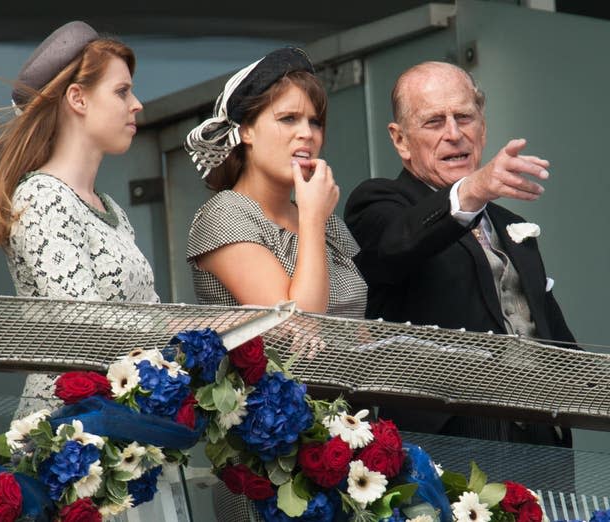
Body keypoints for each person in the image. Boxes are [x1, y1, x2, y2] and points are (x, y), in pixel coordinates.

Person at [344, 61, 576, 446]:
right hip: (453, 443)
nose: (454, 134)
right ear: (400, 140)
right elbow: (395, 247)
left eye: (464, 117)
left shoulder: (510, 223)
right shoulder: (380, 202)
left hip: (542, 439)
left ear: (482, 126)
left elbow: (558, 345)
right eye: (434, 122)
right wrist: (472, 190)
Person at [0, 21, 159, 412]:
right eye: (122, 91)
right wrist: (185, 328)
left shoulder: (109, 208)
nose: (137, 104)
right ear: (77, 98)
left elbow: (147, 318)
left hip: (121, 423)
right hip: (68, 434)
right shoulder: (42, 197)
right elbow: (85, 329)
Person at [184, 47, 367, 320]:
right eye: (288, 119)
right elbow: (299, 325)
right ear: (246, 130)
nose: (307, 134)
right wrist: (313, 217)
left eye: (315, 122)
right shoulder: (225, 214)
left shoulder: (324, 219)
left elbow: (357, 327)